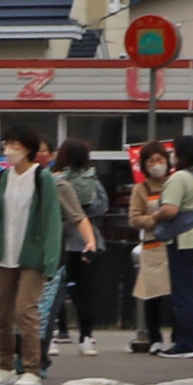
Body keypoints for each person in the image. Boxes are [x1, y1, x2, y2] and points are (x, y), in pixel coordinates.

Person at [0, 124, 91, 385]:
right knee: (2, 313)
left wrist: (50, 259)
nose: (9, 150)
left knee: (25, 311)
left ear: (28, 148)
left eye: (15, 145)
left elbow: (52, 221)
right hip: (6, 253)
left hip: (33, 255)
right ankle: (5, 365)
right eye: (6, 144)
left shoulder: (44, 179)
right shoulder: (3, 178)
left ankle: (32, 369)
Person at [47, 139, 111, 357]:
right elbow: (103, 206)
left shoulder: (54, 179)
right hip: (88, 240)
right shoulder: (92, 179)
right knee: (86, 293)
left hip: (60, 239)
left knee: (54, 292)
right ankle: (86, 338)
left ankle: (52, 336)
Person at [154, 138, 193, 354]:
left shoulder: (179, 178)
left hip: (184, 240)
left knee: (183, 294)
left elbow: (170, 210)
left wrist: (155, 216)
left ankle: (185, 343)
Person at [127, 145, 174, 352]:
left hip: (174, 245)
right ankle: (154, 338)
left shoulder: (175, 183)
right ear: (144, 165)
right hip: (153, 246)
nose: (156, 165)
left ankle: (176, 338)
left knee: (176, 295)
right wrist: (153, 219)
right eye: (151, 161)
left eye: (160, 159)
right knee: (153, 295)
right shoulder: (141, 189)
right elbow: (134, 219)